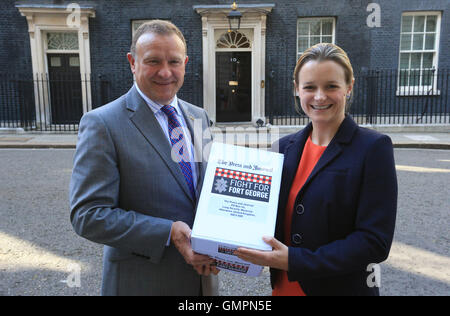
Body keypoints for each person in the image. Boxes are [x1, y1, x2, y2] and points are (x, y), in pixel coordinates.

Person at [69, 20, 219, 296]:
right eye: (153, 61)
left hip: (202, 281)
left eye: (174, 61)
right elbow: (87, 216)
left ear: (185, 62)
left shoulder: (199, 117)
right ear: (132, 62)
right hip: (142, 283)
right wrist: (167, 232)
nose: (165, 72)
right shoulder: (103, 124)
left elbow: (205, 191)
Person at [236, 43, 397, 296]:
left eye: (331, 86)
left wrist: (294, 261)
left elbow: (374, 242)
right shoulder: (282, 148)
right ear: (297, 90)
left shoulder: (373, 148)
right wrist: (222, 248)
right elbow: (262, 216)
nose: (320, 96)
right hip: (284, 289)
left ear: (349, 87)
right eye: (310, 87)